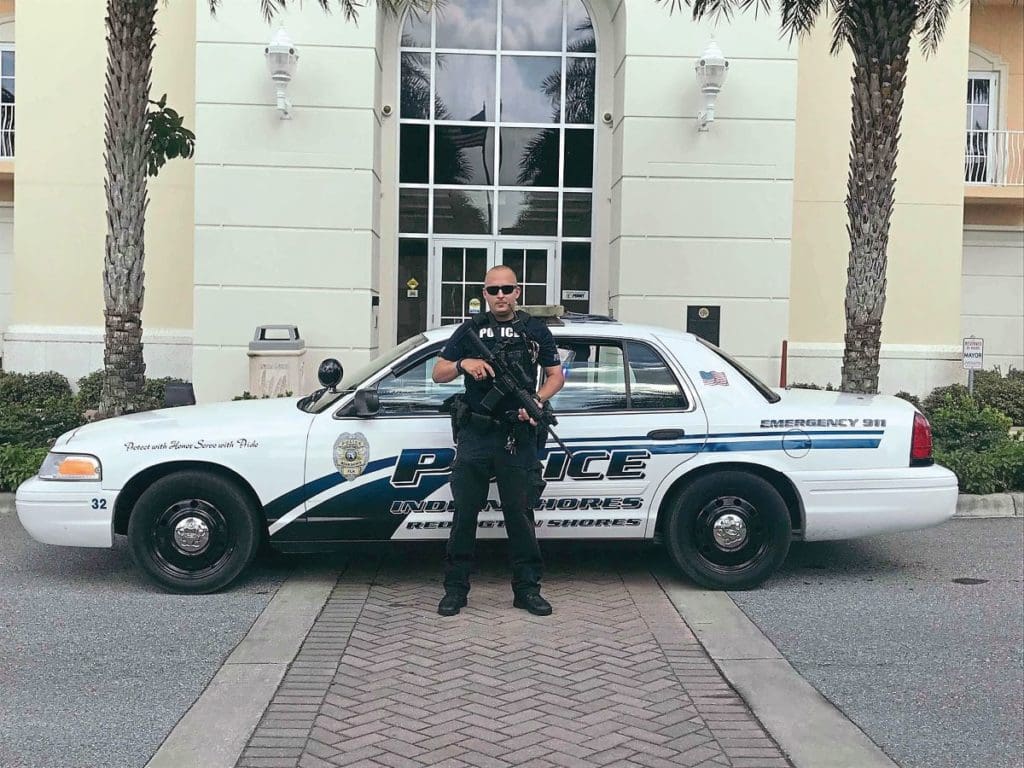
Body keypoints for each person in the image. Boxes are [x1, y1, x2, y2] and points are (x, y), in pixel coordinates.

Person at [431, 265, 565, 617]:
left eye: (507, 289)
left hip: (516, 435)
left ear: (518, 292)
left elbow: (555, 376)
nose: (501, 295)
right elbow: (438, 372)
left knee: (520, 516)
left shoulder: (534, 330)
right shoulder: (470, 330)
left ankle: (527, 590)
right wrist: (464, 363)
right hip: (476, 433)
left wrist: (535, 402)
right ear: (485, 293)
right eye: (494, 290)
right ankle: (456, 590)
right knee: (464, 516)